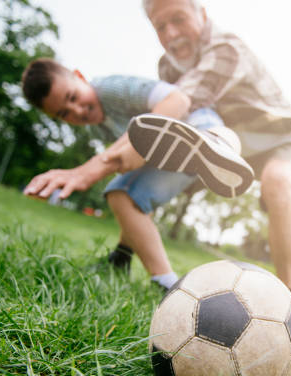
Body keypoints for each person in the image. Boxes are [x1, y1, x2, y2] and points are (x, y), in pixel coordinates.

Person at [21, 58, 253, 291]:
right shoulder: (96, 126)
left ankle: (219, 146)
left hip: (193, 123)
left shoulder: (110, 89)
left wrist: (94, 167)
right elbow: (129, 156)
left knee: (211, 133)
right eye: (64, 113)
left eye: (73, 97)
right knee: (125, 195)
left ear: (80, 77)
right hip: (172, 164)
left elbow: (177, 100)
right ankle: (131, 263)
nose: (77, 111)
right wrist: (122, 159)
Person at [138, 0, 291, 301]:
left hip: (279, 136)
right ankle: (121, 252)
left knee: (277, 181)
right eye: (160, 27)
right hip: (229, 143)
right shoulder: (167, 65)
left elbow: (185, 99)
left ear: (202, 14)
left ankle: (290, 300)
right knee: (157, 156)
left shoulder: (226, 48)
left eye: (179, 19)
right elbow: (169, 127)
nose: (171, 34)